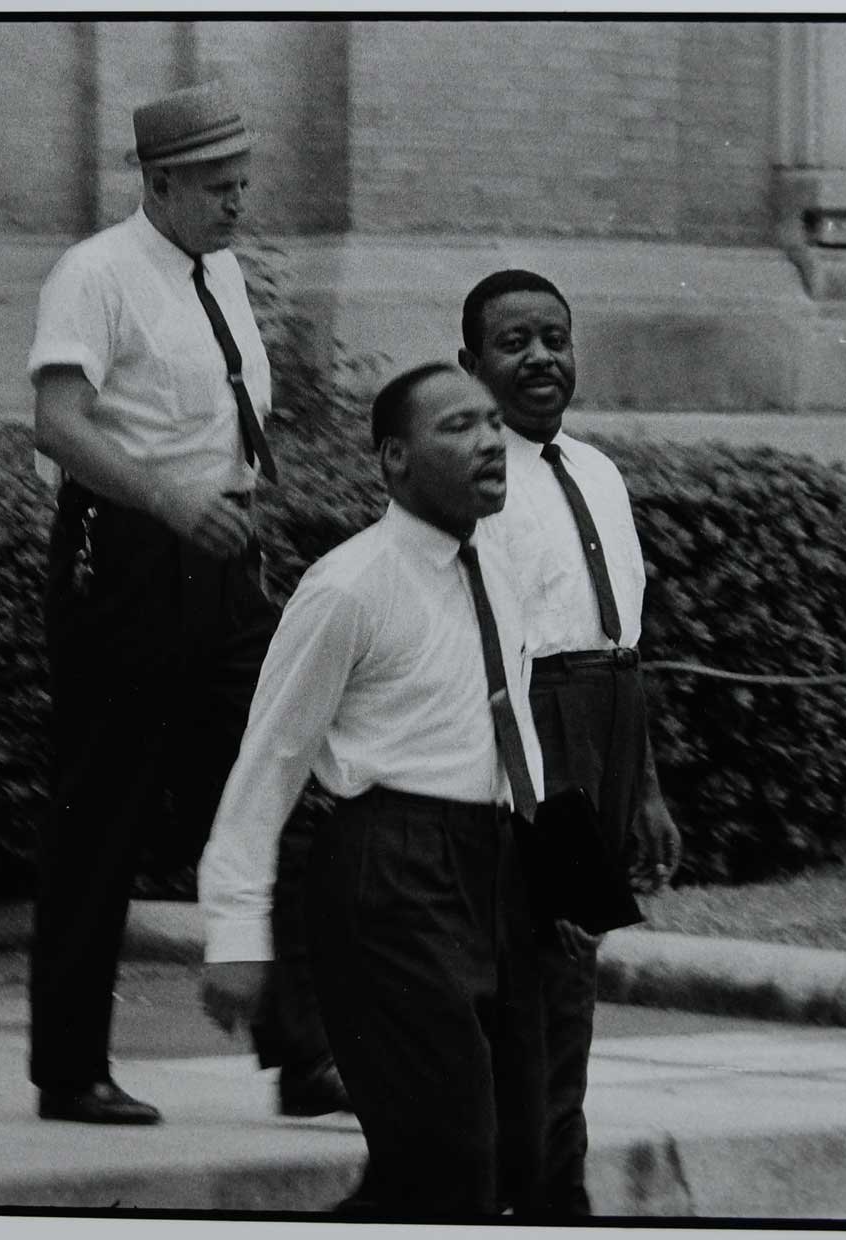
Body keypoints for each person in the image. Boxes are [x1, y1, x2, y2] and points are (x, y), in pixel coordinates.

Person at [25, 80, 340, 1126]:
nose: (236, 201)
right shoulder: (97, 273)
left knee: (267, 791)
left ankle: (302, 1053)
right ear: (158, 182)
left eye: (243, 182)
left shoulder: (221, 273)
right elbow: (59, 424)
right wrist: (170, 501)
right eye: (215, 184)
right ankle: (70, 1069)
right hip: (127, 559)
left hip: (223, 559)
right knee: (101, 814)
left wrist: (242, 505)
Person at [199, 363, 548, 1218]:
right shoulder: (349, 586)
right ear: (394, 460)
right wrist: (236, 932)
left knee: (511, 1156)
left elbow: (508, 733)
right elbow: (270, 758)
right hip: (392, 875)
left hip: (497, 871)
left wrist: (558, 872)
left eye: (494, 423)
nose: (490, 441)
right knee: (449, 1158)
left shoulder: (498, 569)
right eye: (458, 427)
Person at [460, 268, 684, 1218]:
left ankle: (554, 1181)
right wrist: (541, 808)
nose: (541, 357)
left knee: (573, 966)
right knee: (540, 972)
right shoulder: (476, 476)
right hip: (534, 734)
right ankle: (543, 1193)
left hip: (610, 725)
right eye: (514, 343)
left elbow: (619, 638)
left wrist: (648, 788)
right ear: (472, 364)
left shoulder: (598, 470)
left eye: (555, 336)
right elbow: (491, 651)